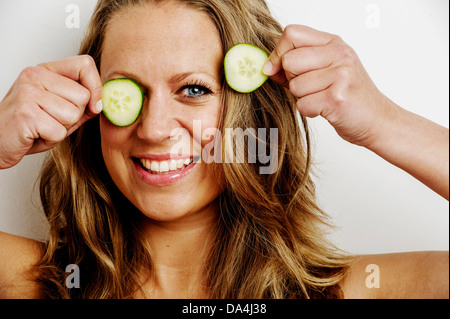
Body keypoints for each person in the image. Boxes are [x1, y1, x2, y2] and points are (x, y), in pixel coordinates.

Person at [0, 0, 448, 299]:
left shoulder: (349, 291)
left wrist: (383, 123)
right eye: (126, 92)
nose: (154, 129)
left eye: (193, 89)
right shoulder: (32, 282)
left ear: (250, 110)